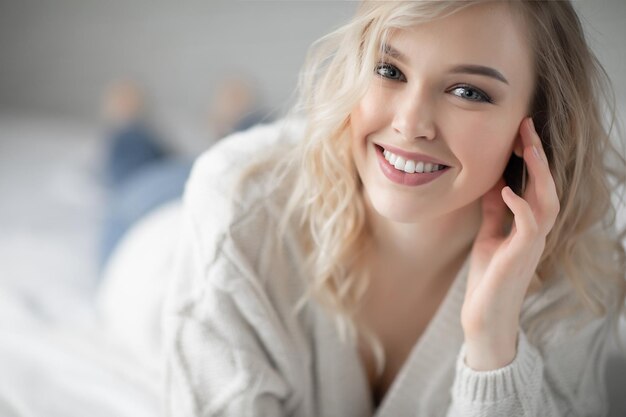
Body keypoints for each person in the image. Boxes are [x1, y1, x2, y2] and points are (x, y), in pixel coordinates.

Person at [163, 1, 626, 416]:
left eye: (468, 92)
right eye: (388, 70)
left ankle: (237, 110)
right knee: (141, 170)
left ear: (536, 126)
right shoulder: (237, 200)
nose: (410, 124)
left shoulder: (580, 272)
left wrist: (493, 342)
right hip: (150, 239)